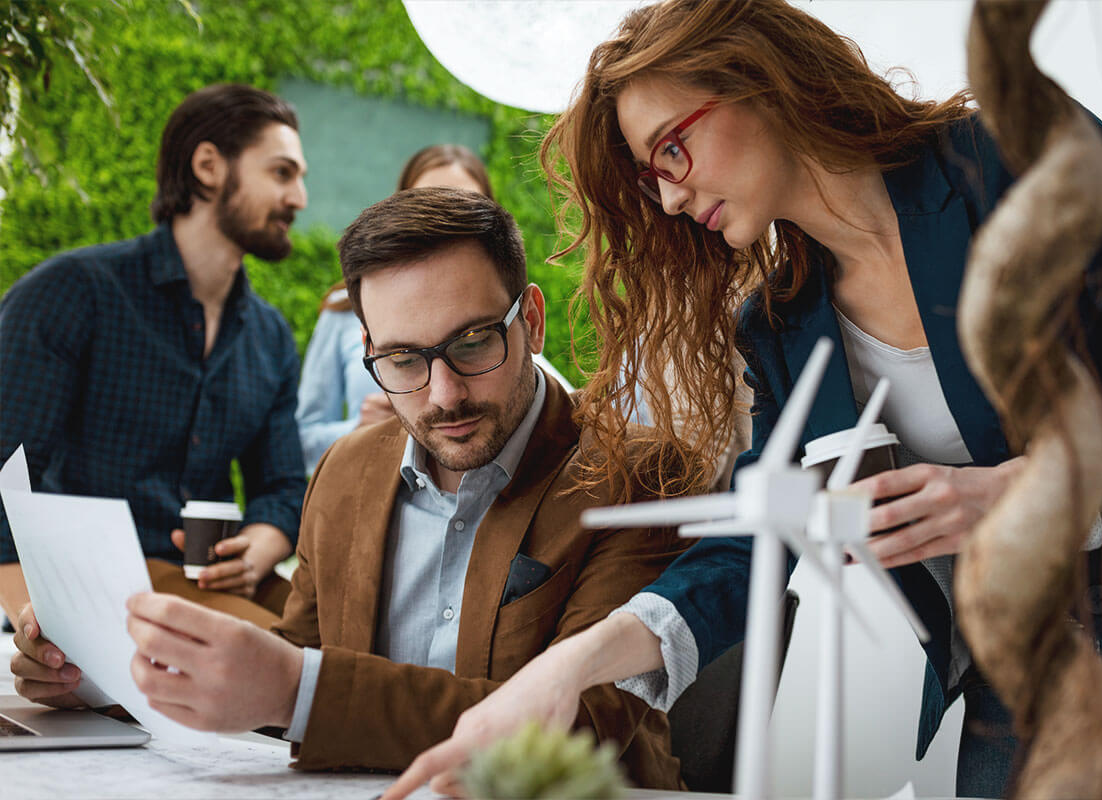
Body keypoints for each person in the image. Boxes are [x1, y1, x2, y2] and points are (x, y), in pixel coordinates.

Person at [386, 1, 1102, 797]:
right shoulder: (779, 324)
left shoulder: (1014, 154)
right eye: (650, 174)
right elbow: (764, 536)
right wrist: (576, 663)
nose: (668, 197)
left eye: (672, 148)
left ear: (758, 80)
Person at [11, 188, 691, 787]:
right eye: (402, 359)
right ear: (368, 348)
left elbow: (583, 729)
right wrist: (110, 683)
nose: (443, 394)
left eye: (474, 343)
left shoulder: (639, 476)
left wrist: (295, 687)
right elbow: (293, 695)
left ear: (532, 321)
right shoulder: (346, 472)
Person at [0, 84, 309, 641]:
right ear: (209, 166)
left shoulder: (270, 337)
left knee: (358, 640)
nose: (300, 197)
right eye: (283, 173)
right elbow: (5, 475)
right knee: (302, 665)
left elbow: (283, 485)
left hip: (219, 582)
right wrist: (47, 635)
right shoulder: (73, 293)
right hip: (100, 583)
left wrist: (259, 545)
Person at [295, 144, 495, 473]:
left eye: (465, 207)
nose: (446, 226)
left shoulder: (503, 315)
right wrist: (358, 430)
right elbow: (301, 440)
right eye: (402, 357)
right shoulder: (343, 310)